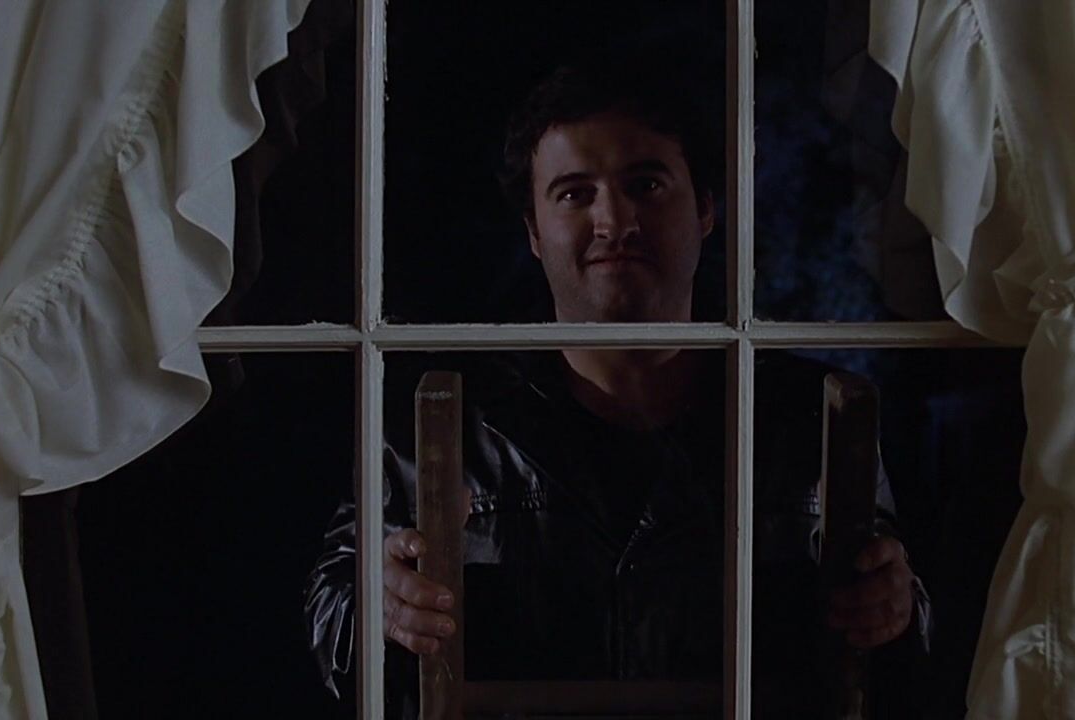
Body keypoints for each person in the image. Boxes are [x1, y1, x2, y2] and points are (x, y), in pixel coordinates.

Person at [304, 53, 929, 717]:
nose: (615, 223)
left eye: (646, 185)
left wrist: (896, 609)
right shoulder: (438, 424)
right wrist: (379, 605)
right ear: (533, 231)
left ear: (706, 209)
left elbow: (895, 646)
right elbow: (333, 623)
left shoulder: (812, 419)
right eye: (575, 194)